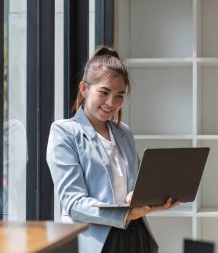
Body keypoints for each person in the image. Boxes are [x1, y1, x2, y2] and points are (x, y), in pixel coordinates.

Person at [46, 45, 180, 253]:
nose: (111, 103)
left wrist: (146, 197)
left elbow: (135, 185)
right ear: (84, 89)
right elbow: (73, 203)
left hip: (135, 235)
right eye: (104, 92)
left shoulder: (124, 133)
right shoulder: (65, 132)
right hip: (95, 242)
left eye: (119, 95)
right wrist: (126, 213)